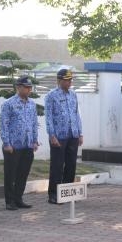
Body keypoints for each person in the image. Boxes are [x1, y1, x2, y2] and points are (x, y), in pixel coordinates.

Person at [45, 69, 83, 204]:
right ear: (59, 80)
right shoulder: (51, 95)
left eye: (70, 79)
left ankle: (67, 192)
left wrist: (80, 133)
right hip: (59, 136)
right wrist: (51, 135)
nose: (70, 82)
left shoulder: (73, 94)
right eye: (67, 80)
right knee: (57, 165)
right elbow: (48, 117)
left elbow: (76, 114)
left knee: (71, 164)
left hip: (72, 134)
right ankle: (53, 194)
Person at [1, 75, 39, 210]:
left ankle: (18, 198)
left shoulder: (32, 104)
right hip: (13, 146)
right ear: (18, 87)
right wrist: (6, 143)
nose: (29, 90)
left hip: (27, 145)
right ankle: (9, 201)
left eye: (30, 87)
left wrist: (35, 141)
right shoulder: (8, 104)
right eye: (26, 87)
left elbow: (34, 123)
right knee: (10, 174)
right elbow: (4, 124)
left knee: (23, 174)